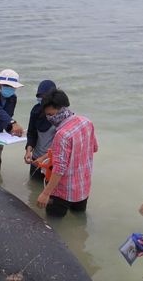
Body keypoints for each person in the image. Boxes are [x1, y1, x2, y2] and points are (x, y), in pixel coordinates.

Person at [35, 89, 98, 217]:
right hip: (82, 188)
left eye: (50, 114)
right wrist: (46, 156)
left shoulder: (62, 134)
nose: (49, 118)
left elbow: (59, 168)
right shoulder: (86, 122)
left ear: (61, 109)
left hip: (62, 192)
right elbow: (94, 148)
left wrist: (46, 193)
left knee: (53, 225)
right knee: (79, 221)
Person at [24, 79, 57, 181]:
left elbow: (60, 145)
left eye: (44, 97)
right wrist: (28, 150)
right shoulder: (35, 111)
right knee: (33, 187)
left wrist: (44, 158)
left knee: (49, 190)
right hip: (36, 159)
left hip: (53, 161)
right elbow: (31, 133)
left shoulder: (60, 115)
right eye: (39, 96)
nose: (41, 100)